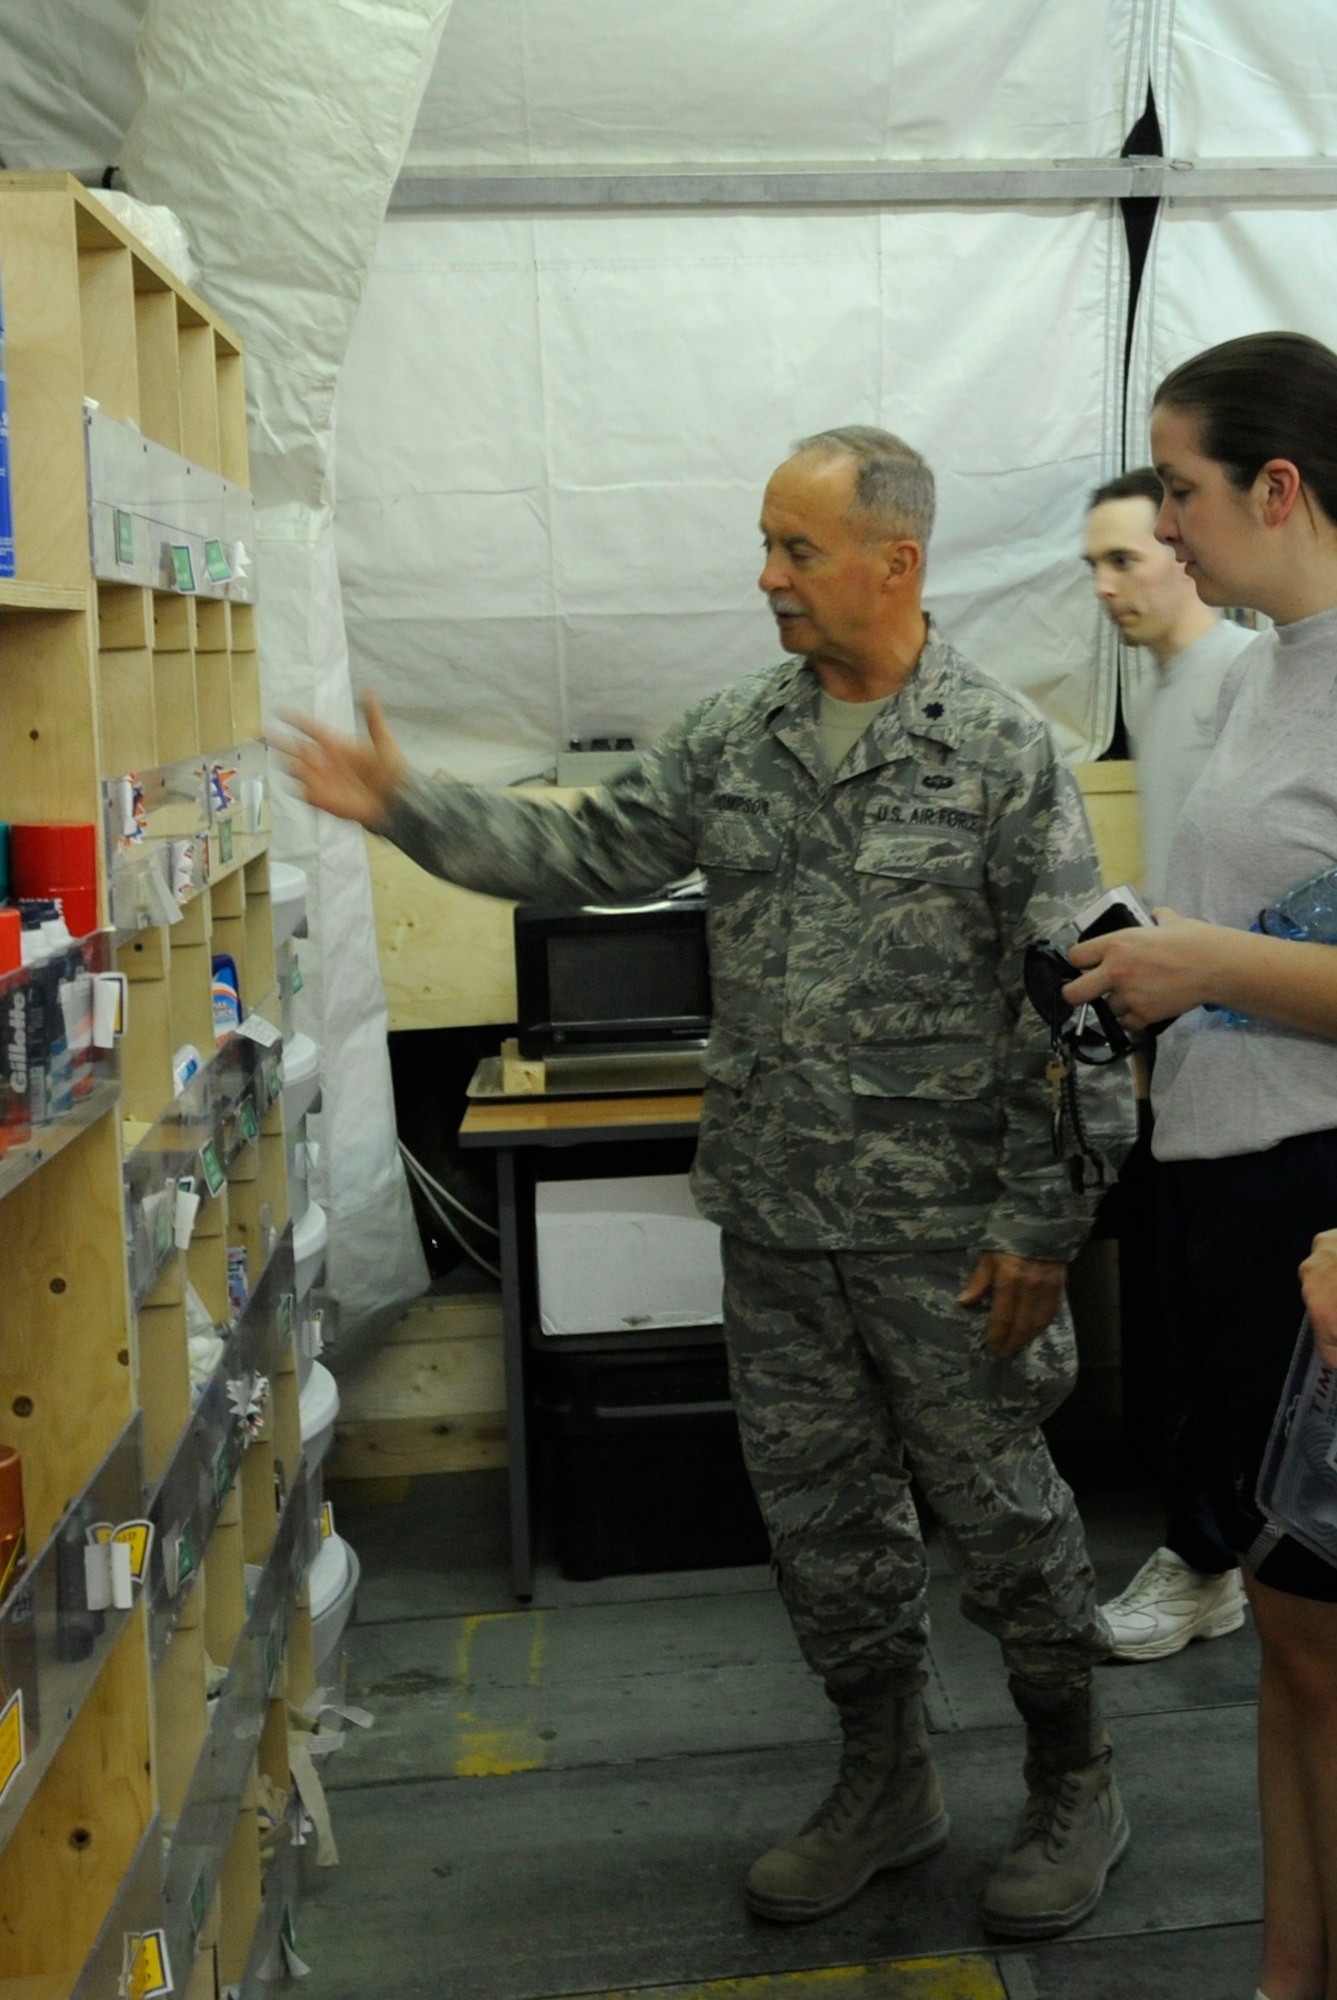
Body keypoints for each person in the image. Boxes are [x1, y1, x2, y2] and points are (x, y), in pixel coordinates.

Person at [282, 426, 1133, 1940]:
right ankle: (887, 1779)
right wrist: (408, 806)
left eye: (797, 551)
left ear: (897, 560)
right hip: (777, 1222)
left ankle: (1076, 1778)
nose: (767, 578)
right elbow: (584, 851)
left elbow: (1079, 1002)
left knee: (1004, 1520)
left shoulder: (1001, 752)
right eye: (767, 545)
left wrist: (1043, 1228)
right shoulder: (736, 734)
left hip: (953, 1240)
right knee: (820, 1527)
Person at [1063, 332, 1337, 2000]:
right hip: (1230, 1173)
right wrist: (1152, 953)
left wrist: (1204, 967)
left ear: (1276, 487)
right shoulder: (1247, 671)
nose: (1162, 530)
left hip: (1317, 1190)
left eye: (1177, 490)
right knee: (1293, 1639)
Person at [1083, 469, 1255, 1662]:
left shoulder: (1247, 676)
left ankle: (1208, 1558)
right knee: (1184, 1329)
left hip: (1262, 1058)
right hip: (1188, 1049)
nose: (1103, 587)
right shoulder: (1159, 696)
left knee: (1217, 1339)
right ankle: (1214, 1552)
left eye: (1124, 558)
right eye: (1089, 565)